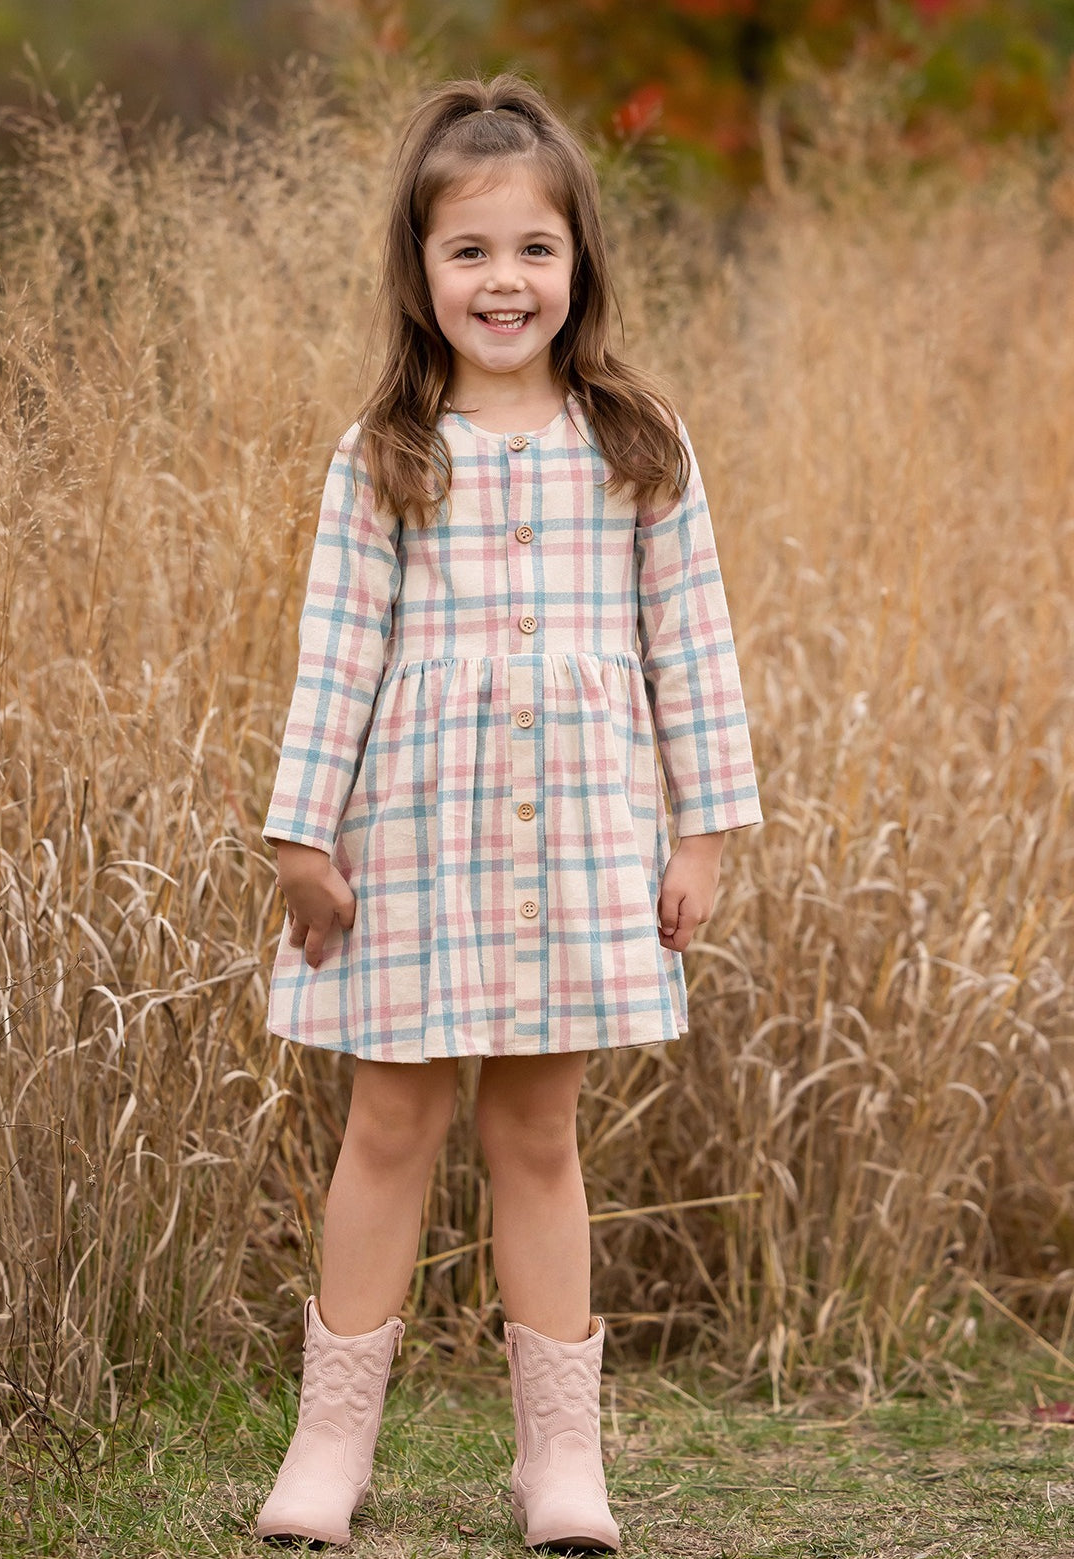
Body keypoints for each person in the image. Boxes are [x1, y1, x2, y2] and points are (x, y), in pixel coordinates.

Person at [255, 72, 762, 1552]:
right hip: (414, 838)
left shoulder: (638, 443)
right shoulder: (387, 452)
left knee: (539, 1134)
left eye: (533, 249)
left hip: (582, 844)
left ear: (578, 262)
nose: (504, 280)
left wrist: (708, 829)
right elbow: (336, 655)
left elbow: (696, 646)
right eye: (469, 251)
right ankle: (331, 1445)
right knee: (393, 1120)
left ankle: (561, 1465)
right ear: (421, 274)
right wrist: (302, 836)